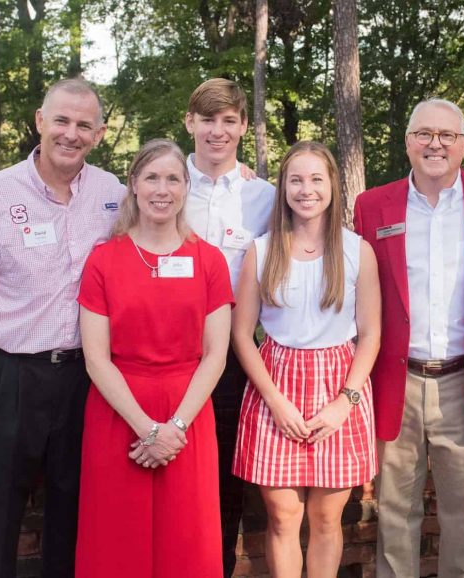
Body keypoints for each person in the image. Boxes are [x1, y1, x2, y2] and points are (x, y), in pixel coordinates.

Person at [0, 78, 121, 578]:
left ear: (99, 134)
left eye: (84, 125)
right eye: (61, 120)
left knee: (74, 511)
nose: (71, 133)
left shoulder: (113, 196)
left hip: (85, 379)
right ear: (39, 121)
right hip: (10, 378)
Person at [353, 98, 464, 578]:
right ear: (407, 141)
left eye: (447, 135)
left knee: (463, 515)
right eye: (424, 133)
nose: (435, 143)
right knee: (394, 512)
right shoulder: (372, 206)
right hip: (396, 379)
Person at [74, 139, 233, 577]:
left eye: (173, 179)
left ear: (186, 188)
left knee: (188, 541)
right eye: (151, 177)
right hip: (119, 415)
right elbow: (96, 357)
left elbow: (216, 354)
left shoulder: (209, 260)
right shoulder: (103, 261)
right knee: (115, 541)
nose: (162, 189)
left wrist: (174, 428)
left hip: (188, 416)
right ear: (134, 186)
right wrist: (147, 430)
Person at [232, 141, 381, 578]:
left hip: (339, 387)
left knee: (326, 520)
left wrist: (344, 403)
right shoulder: (261, 251)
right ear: (283, 188)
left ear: (333, 185)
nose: (306, 189)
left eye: (316, 179)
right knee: (281, 519)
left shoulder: (358, 251)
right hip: (275, 383)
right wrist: (275, 402)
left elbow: (371, 334)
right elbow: (242, 334)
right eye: (295, 179)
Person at [183, 77, 276, 577]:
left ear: (243, 126)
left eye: (228, 121)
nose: (217, 131)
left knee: (222, 482)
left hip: (233, 361)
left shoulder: (265, 197)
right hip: (166, 354)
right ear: (189, 123)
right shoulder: (163, 184)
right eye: (207, 119)